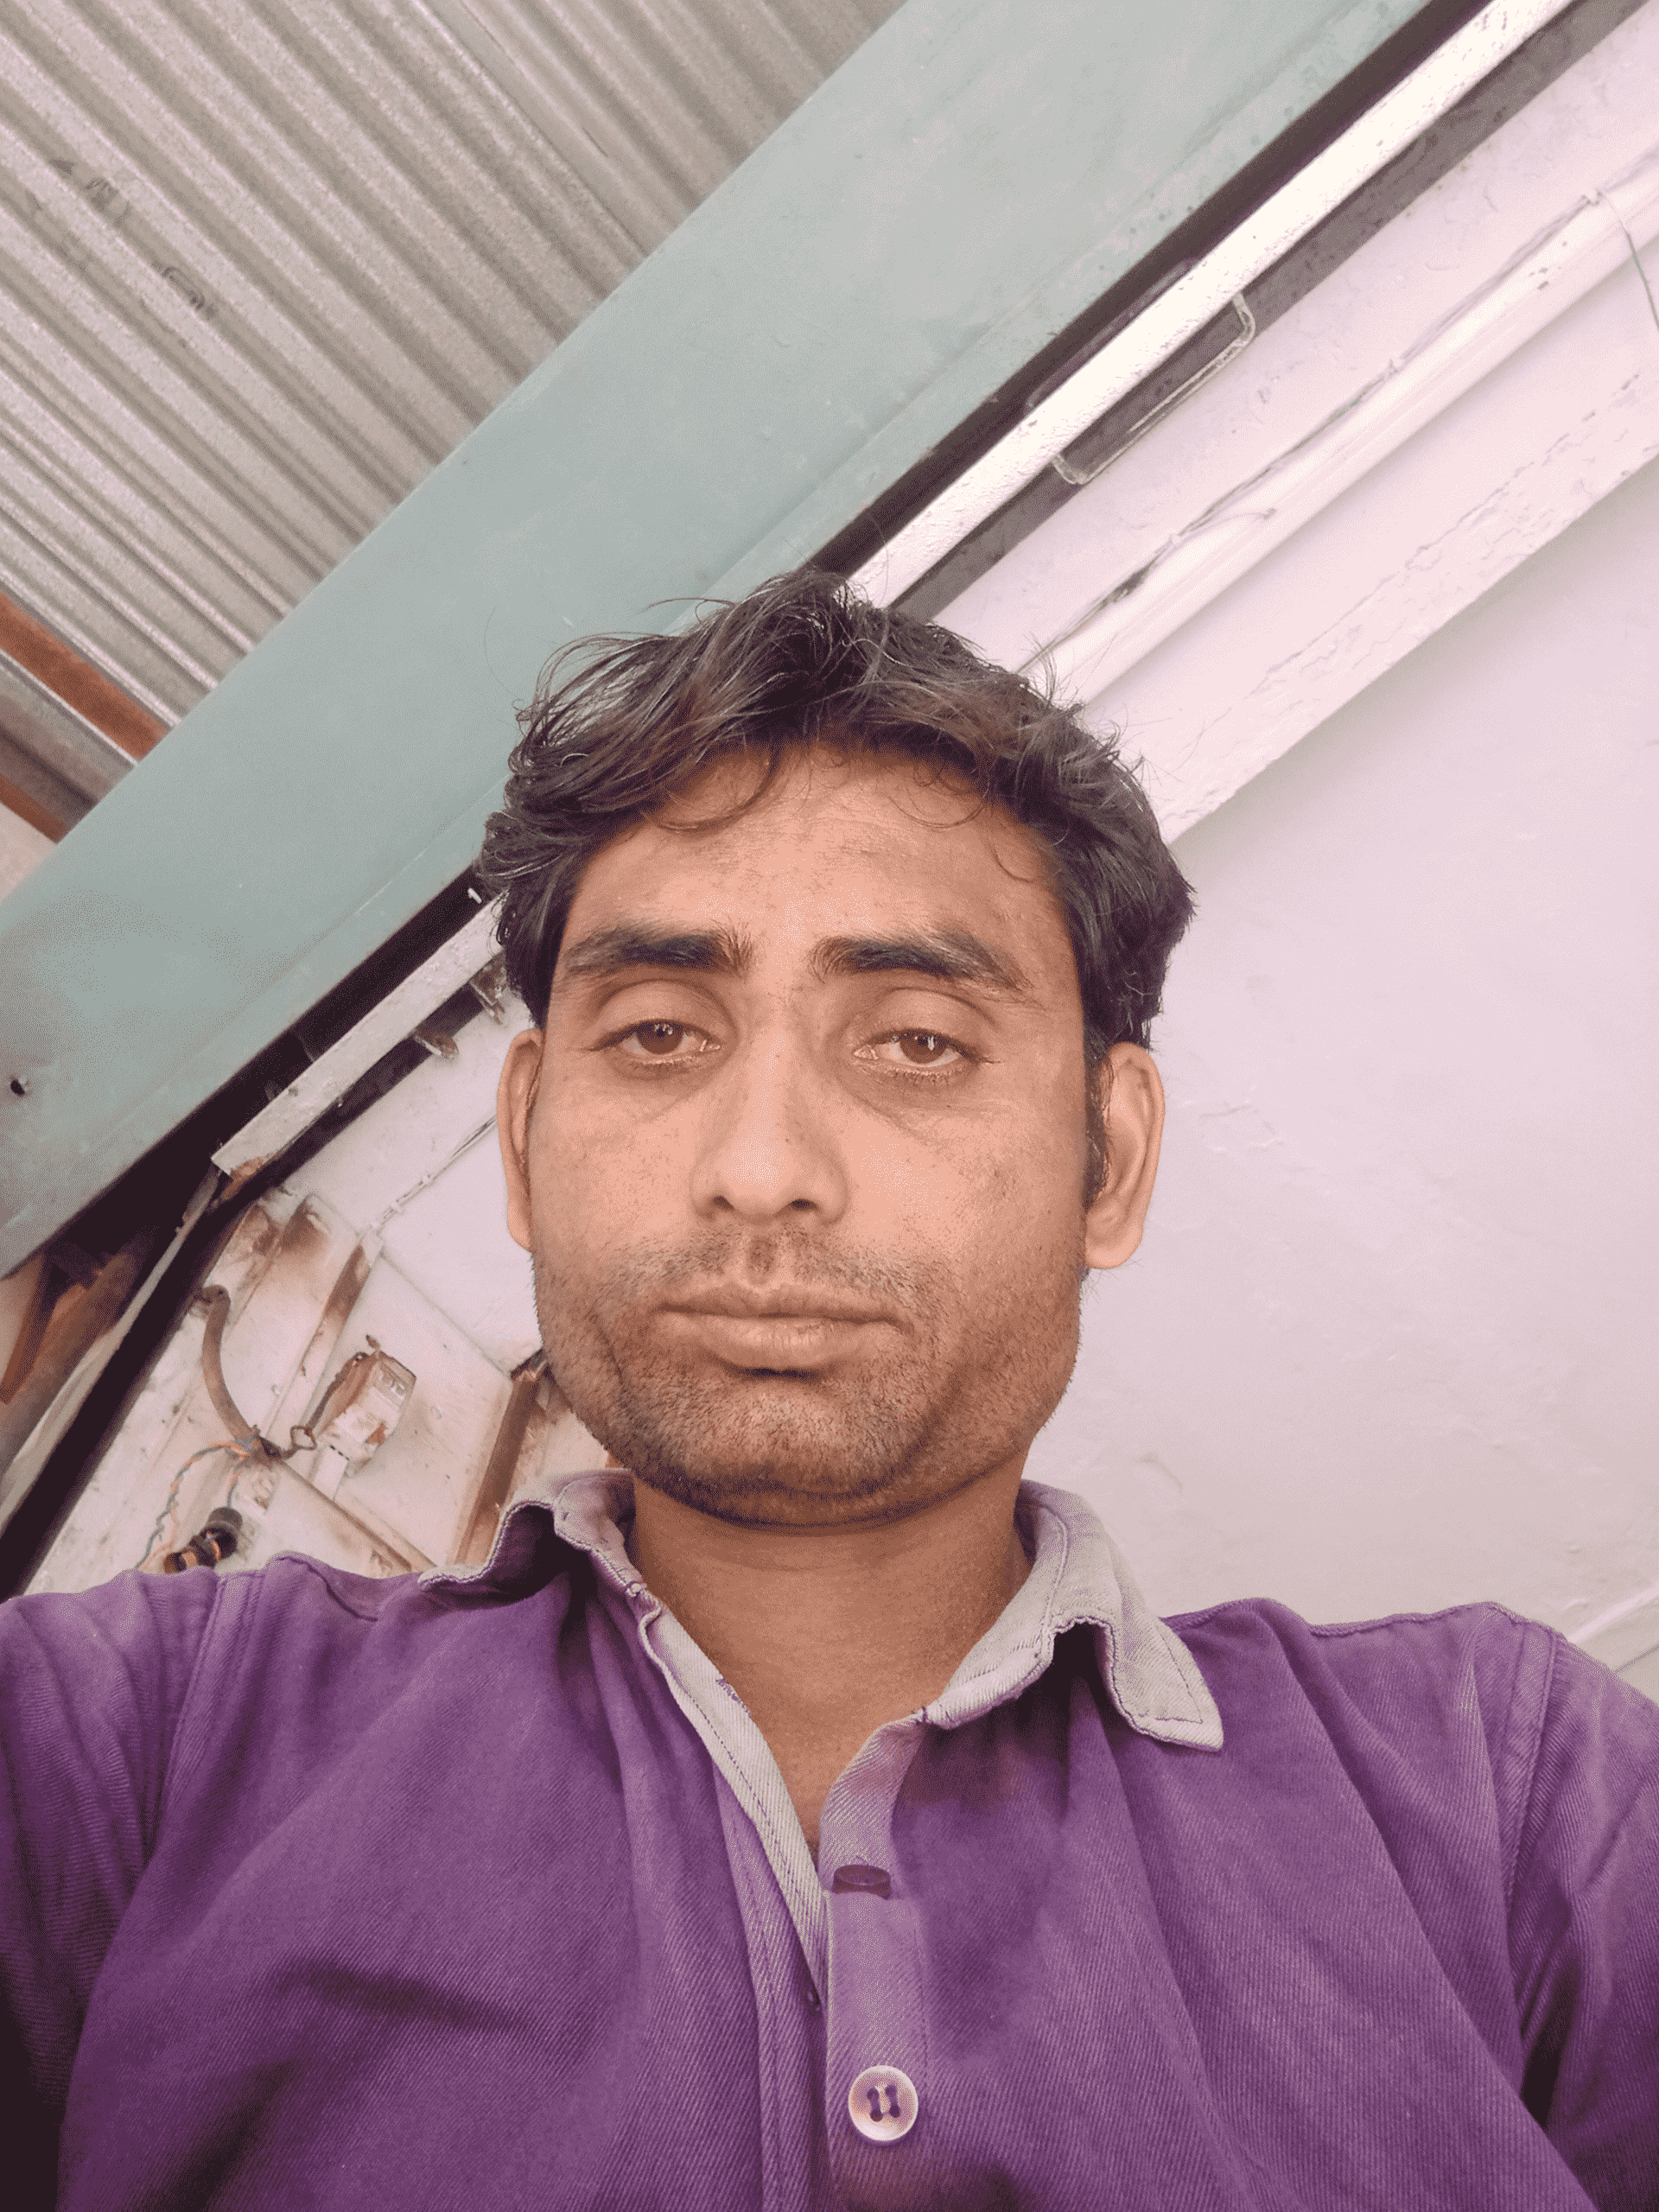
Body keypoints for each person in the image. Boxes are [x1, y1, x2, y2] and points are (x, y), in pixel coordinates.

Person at [3, 571, 1656, 2211]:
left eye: (917, 1040)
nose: (761, 1165)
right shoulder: (139, 1743)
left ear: (1111, 1159)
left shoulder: (1511, 1794)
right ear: (522, 1142)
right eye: (660, 1034)